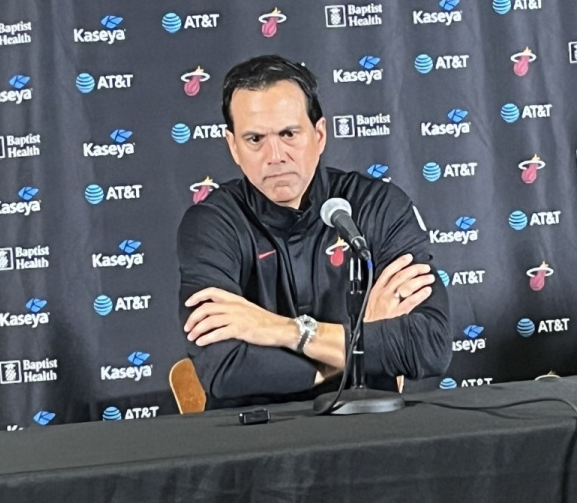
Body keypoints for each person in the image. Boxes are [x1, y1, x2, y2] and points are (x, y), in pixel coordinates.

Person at [177, 55, 451, 407]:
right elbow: (225, 369)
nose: (275, 155)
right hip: (257, 432)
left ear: (319, 135)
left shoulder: (379, 206)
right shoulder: (211, 224)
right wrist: (359, 343)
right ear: (233, 146)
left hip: (367, 429)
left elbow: (429, 346)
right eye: (255, 139)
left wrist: (278, 329)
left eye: (289, 134)